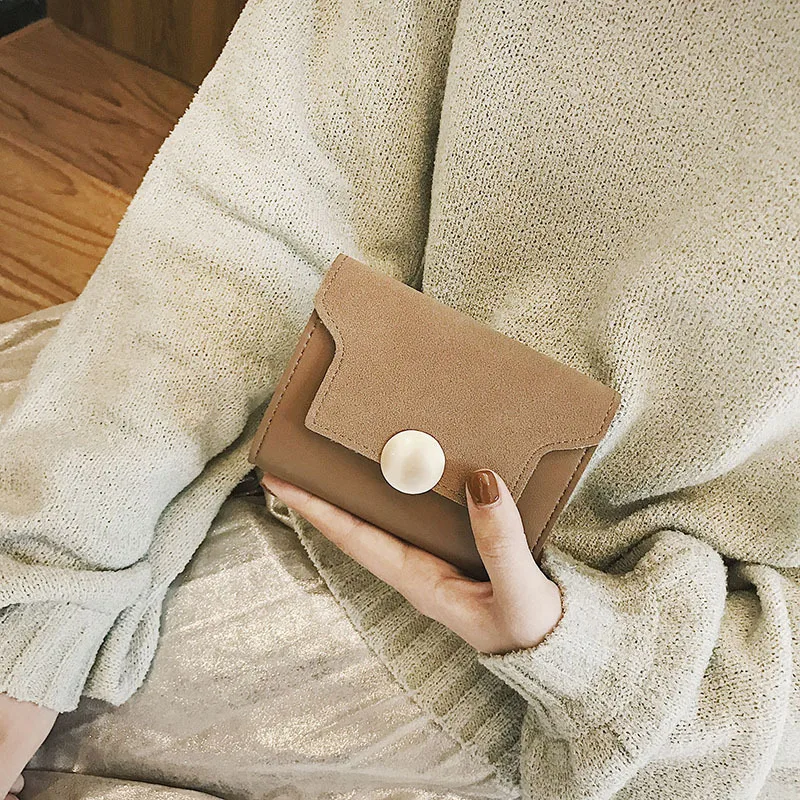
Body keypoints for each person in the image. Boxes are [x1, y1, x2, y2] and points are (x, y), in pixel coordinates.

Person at [1, 1, 798, 798]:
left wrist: (600, 661)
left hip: (633, 693)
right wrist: (47, 584)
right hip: (289, 413)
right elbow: (270, 186)